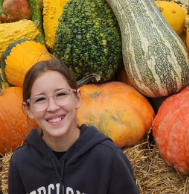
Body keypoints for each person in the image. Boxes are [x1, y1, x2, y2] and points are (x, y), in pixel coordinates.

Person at [8, 56, 139, 194]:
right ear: (29, 109)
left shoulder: (108, 157)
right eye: (40, 99)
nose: (52, 107)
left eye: (61, 94)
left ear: (77, 98)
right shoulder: (21, 162)